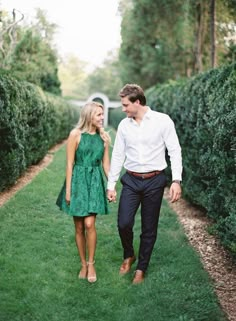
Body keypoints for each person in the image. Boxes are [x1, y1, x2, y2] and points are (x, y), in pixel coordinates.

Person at [107, 84, 182, 284]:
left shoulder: (162, 121)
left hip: (154, 181)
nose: (123, 109)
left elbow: (174, 150)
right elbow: (117, 155)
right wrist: (111, 184)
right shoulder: (124, 125)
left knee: (149, 227)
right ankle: (128, 254)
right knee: (124, 223)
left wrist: (176, 180)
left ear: (137, 102)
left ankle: (141, 267)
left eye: (125, 105)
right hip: (131, 180)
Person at [56, 101, 110, 283]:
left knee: (89, 224)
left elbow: (106, 165)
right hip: (78, 182)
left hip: (94, 183)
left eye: (102, 114)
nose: (102, 118)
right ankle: (83, 264)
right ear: (89, 116)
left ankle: (91, 263)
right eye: (98, 115)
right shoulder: (75, 135)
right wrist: (69, 190)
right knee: (78, 226)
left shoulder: (103, 137)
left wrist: (110, 186)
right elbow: (69, 164)